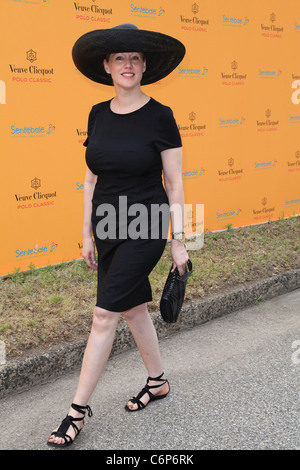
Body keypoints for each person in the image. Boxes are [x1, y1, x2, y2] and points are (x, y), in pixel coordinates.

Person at [47, 23, 188, 448]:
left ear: (145, 67)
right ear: (107, 66)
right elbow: (91, 179)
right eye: (119, 58)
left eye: (135, 58)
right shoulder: (97, 113)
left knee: (103, 315)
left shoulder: (161, 115)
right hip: (107, 223)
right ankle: (158, 381)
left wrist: (178, 239)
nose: (128, 65)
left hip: (145, 224)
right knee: (132, 309)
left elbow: (176, 184)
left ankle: (76, 411)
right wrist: (86, 231)